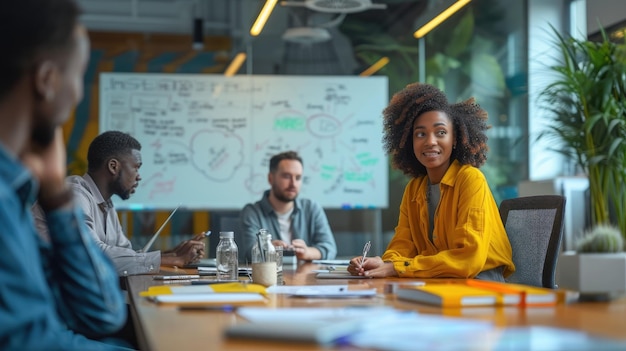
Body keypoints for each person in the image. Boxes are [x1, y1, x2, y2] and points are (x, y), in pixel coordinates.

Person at [0, 0, 133, 349]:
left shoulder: (18, 189)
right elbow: (34, 342)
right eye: (79, 76)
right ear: (46, 80)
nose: (77, 94)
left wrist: (55, 194)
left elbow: (101, 313)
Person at [348, 83, 515, 281]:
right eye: (420, 134)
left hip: (479, 281)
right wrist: (383, 263)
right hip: (437, 278)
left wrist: (397, 267)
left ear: (455, 139)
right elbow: (402, 245)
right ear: (410, 141)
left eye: (441, 132)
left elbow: (469, 259)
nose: (430, 141)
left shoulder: (471, 179)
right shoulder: (414, 189)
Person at [33, 131, 206, 276]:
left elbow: (124, 255)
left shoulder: (105, 204)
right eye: (136, 167)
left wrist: (172, 253)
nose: (139, 176)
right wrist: (170, 260)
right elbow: (90, 254)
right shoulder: (75, 195)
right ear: (113, 167)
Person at [239, 151, 337, 261]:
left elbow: (330, 248)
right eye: (286, 176)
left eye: (298, 177)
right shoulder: (252, 212)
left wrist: (307, 252)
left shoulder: (312, 208)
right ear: (270, 178)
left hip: (304, 277)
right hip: (269, 276)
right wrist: (267, 248)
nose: (293, 184)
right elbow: (249, 252)